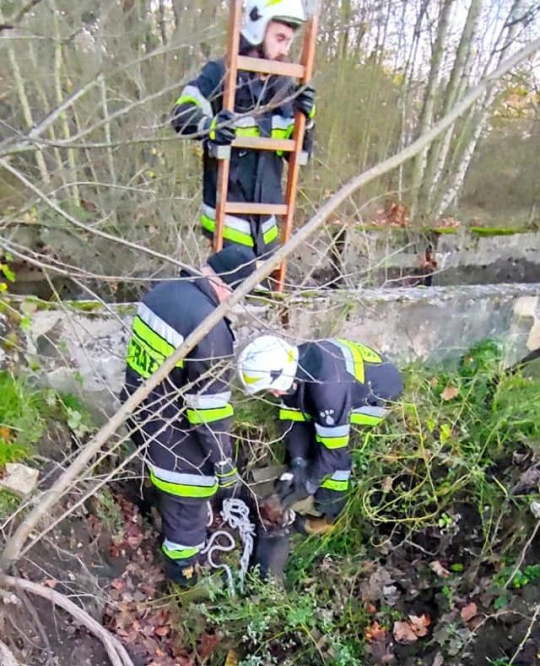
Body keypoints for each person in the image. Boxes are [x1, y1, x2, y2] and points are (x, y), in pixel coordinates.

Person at [123, 245, 256, 586]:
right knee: (190, 493)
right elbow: (208, 412)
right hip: (170, 429)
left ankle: (158, 504)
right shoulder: (210, 328)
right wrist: (224, 468)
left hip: (139, 410)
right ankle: (183, 578)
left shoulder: (164, 291)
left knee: (166, 477)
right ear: (234, 287)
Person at [170, 0, 316, 255]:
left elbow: (299, 155)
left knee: (263, 298)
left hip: (268, 228)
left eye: (290, 41)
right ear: (259, 29)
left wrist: (307, 121)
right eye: (280, 38)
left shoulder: (284, 86)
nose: (285, 49)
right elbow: (181, 113)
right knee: (228, 294)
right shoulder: (222, 73)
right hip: (228, 223)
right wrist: (210, 127)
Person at [236, 334, 403, 531]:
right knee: (308, 446)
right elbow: (293, 419)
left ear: (283, 375)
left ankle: (329, 513)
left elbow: (333, 453)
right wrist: (297, 463)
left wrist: (307, 484)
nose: (274, 394)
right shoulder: (297, 362)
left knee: (329, 451)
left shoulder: (329, 391)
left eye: (272, 388)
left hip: (375, 399)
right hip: (346, 386)